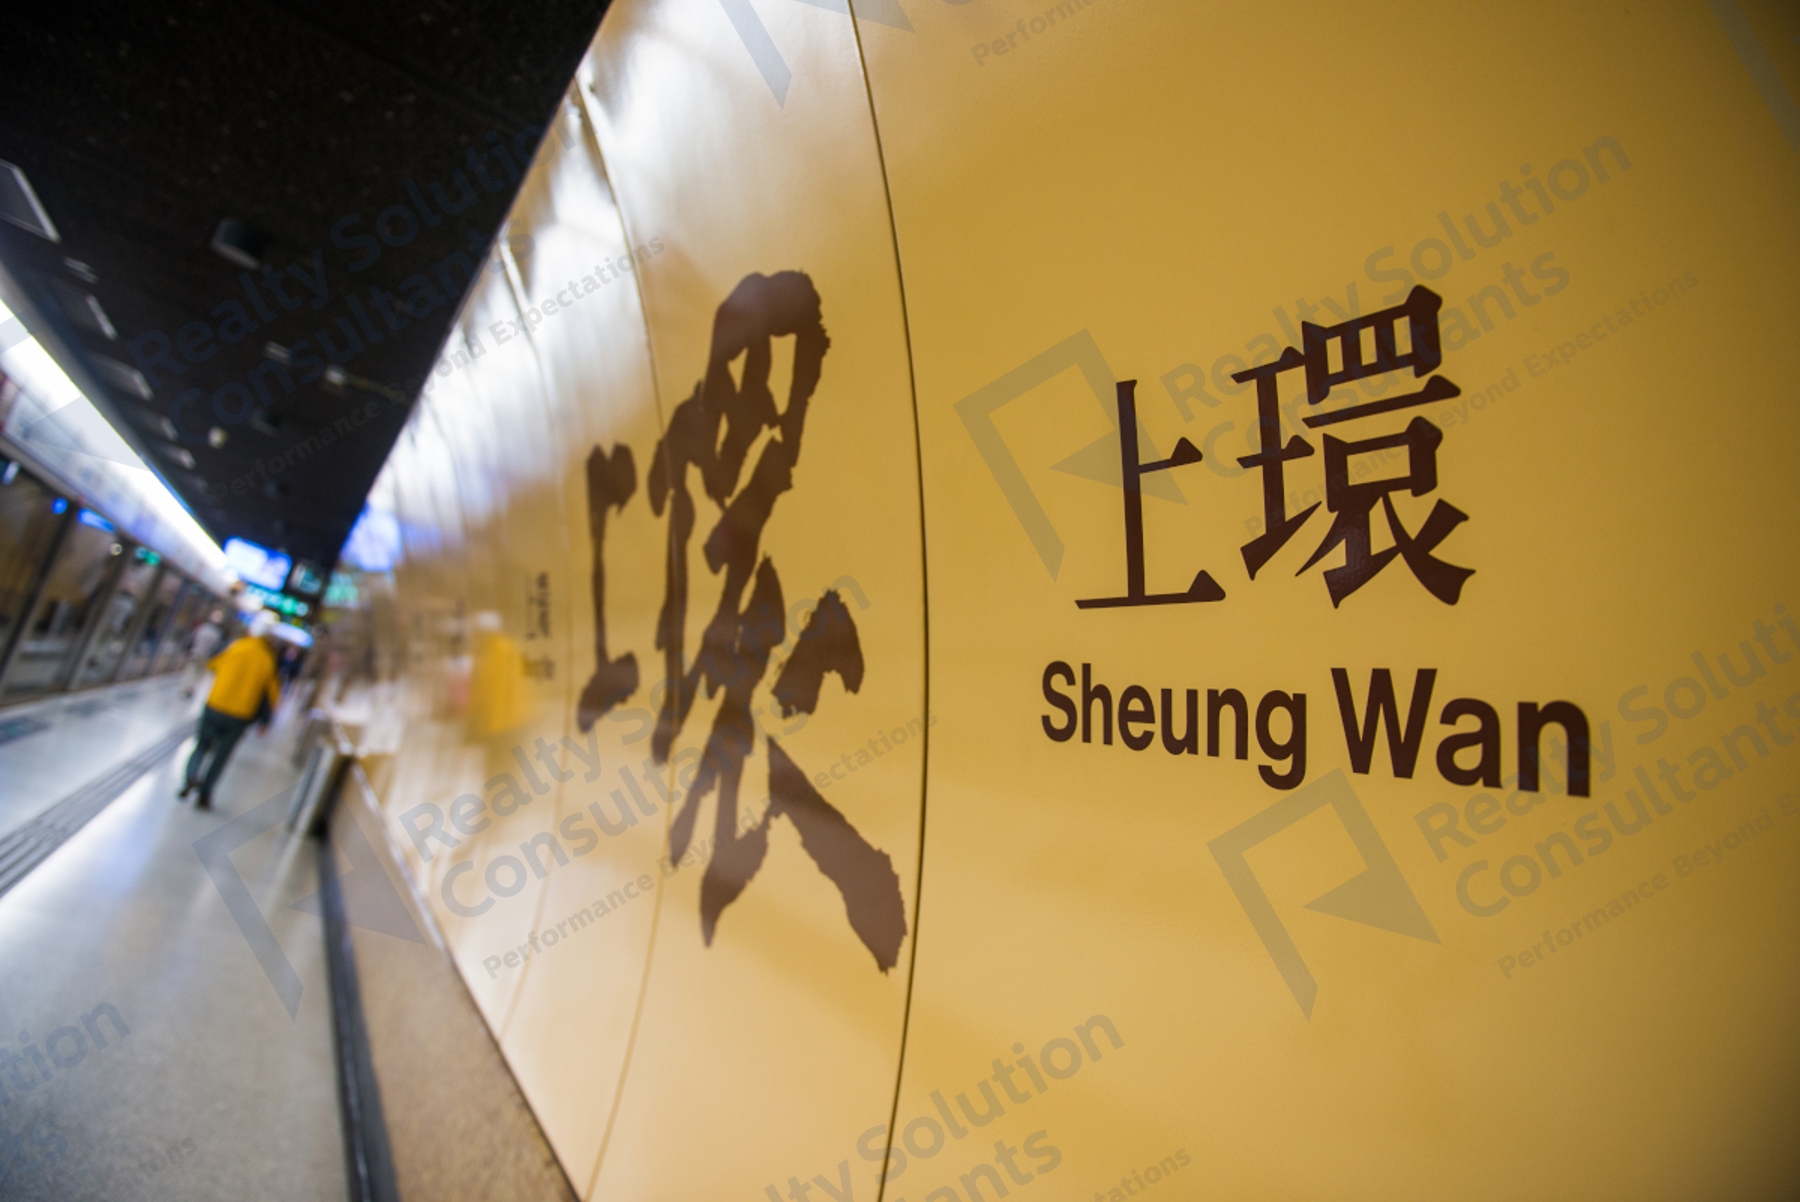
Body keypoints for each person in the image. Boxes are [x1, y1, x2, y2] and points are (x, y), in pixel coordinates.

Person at [180, 613, 281, 809]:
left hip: (215, 705)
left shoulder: (236, 646)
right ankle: (205, 794)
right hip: (240, 715)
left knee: (201, 746)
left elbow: (212, 664)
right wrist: (266, 722)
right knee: (221, 756)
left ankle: (191, 776)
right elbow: (273, 694)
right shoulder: (267, 660)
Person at [180, 611, 227, 699]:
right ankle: (191, 689)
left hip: (194, 652)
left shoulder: (202, 628)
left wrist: (188, 649)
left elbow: (192, 639)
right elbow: (216, 647)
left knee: (190, 670)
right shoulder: (217, 634)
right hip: (206, 657)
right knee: (199, 673)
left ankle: (186, 687)